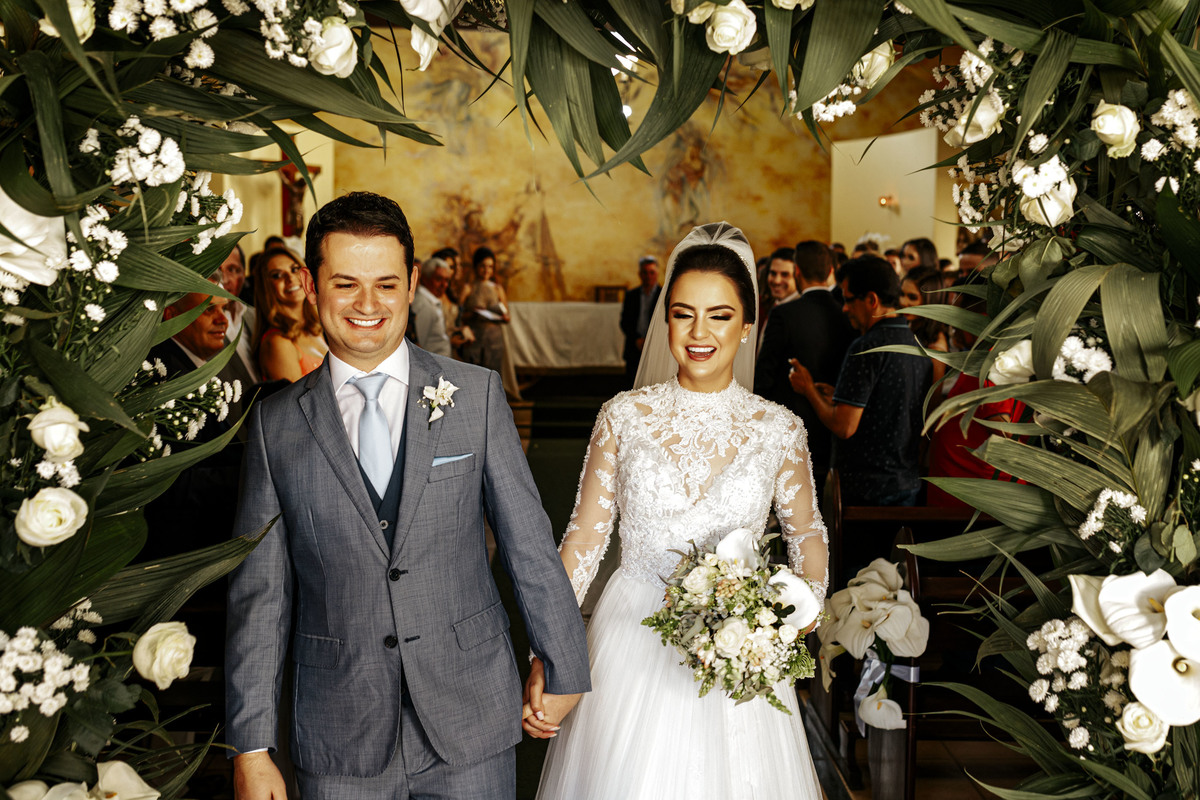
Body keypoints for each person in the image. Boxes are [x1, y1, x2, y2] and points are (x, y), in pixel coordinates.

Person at [225, 192, 591, 800]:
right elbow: (260, 597)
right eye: (345, 284)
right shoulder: (276, 426)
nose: (367, 305)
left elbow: (529, 541)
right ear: (313, 288)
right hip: (338, 730)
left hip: (470, 713)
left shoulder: (474, 396)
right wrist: (252, 747)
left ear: (412, 283)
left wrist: (564, 663)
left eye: (386, 284)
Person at [529, 222, 828, 800]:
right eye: (683, 313)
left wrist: (792, 615)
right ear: (664, 320)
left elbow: (807, 534)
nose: (699, 332)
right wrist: (549, 650)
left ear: (748, 326)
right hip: (630, 635)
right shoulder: (624, 417)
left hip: (740, 640)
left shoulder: (780, 429)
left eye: (719, 315)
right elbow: (583, 544)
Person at [789, 255, 931, 507]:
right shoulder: (915, 343)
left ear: (872, 300)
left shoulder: (867, 347)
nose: (844, 309)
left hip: (868, 490)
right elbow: (892, 403)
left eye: (848, 300)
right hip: (907, 484)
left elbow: (844, 426)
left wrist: (808, 389)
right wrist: (843, 395)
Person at [755, 240, 856, 493]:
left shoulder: (784, 315)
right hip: (833, 429)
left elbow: (764, 379)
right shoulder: (847, 314)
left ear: (797, 271)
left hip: (790, 432)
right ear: (830, 270)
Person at [253, 247, 327, 381]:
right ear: (266, 287)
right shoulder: (278, 342)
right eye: (277, 275)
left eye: (294, 269)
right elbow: (297, 401)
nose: (290, 278)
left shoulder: (314, 329)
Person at [461, 246, 509, 373]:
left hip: (494, 339)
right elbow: (458, 316)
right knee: (474, 374)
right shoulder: (468, 288)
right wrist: (473, 314)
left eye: (490, 267)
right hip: (475, 339)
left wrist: (503, 317)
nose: (486, 270)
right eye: (483, 266)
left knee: (493, 375)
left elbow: (507, 316)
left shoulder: (498, 289)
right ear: (476, 266)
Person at [899, 266, 950, 386]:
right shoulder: (908, 325)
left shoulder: (936, 347)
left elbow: (933, 400)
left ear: (930, 301)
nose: (902, 302)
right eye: (901, 294)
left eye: (912, 297)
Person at [219, 245, 259, 383]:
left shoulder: (256, 316)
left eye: (232, 270)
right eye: (216, 270)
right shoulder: (200, 325)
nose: (224, 279)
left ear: (244, 273)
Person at [619, 255, 661, 386]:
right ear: (640, 274)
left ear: (657, 274)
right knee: (632, 386)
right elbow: (625, 322)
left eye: (651, 272)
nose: (648, 276)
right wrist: (637, 339)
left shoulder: (665, 295)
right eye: (645, 272)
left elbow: (666, 323)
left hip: (656, 348)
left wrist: (650, 340)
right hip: (634, 347)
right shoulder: (631, 295)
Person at [411, 256, 454, 357]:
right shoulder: (423, 304)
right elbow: (418, 347)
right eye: (439, 279)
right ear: (425, 279)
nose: (444, 285)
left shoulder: (432, 301)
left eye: (446, 280)